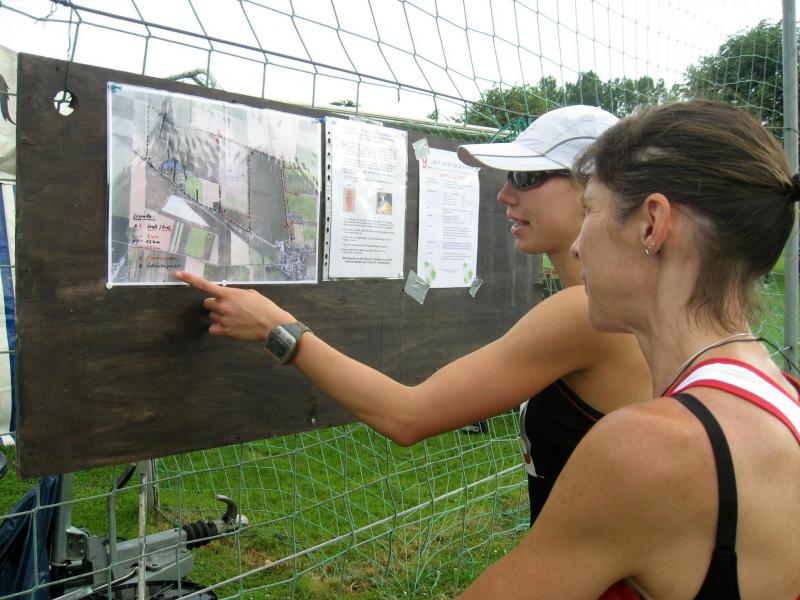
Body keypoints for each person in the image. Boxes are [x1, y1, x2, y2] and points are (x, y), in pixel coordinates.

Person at [176, 104, 652, 527]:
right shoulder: (615, 305)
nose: (506, 194)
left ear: (596, 188)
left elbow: (407, 416)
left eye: (526, 178)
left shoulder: (580, 314)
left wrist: (279, 329)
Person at [458, 100, 800, 599]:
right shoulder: (783, 393)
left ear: (651, 225)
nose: (577, 247)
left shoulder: (649, 447)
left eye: (591, 211)